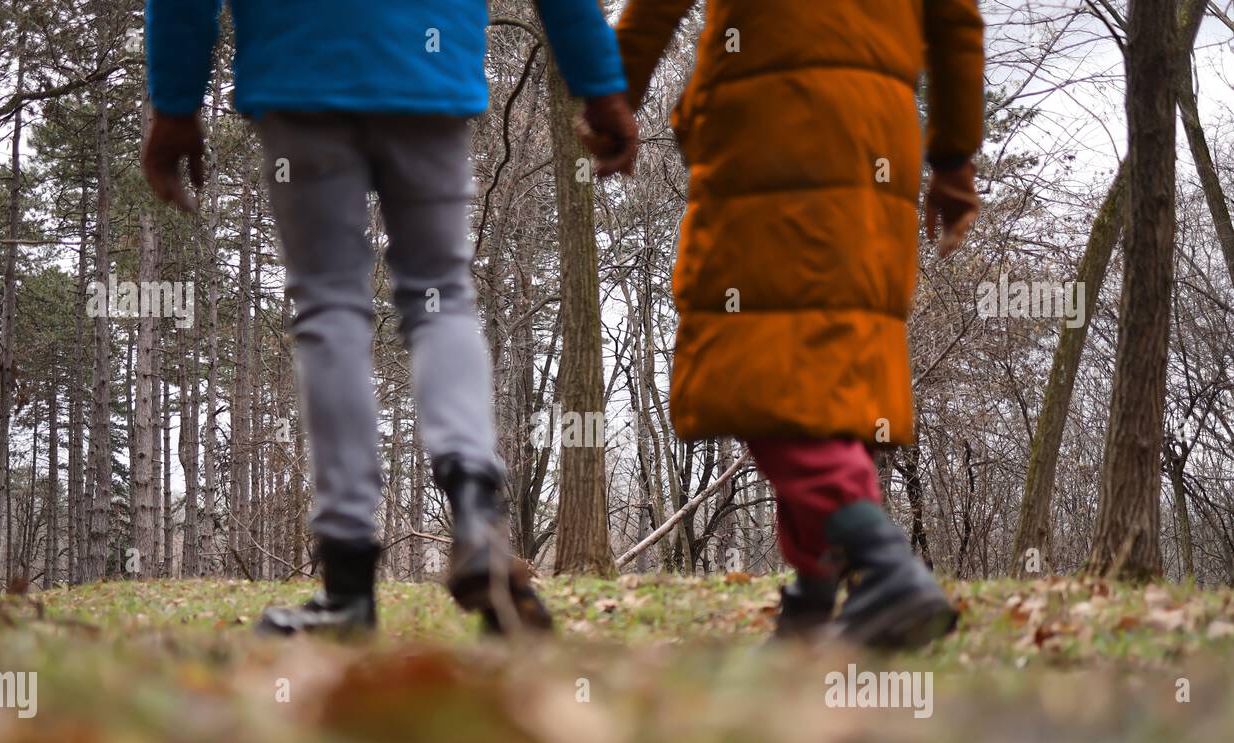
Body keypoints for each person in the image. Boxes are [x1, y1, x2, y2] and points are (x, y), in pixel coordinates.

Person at [141, 1, 639, 635]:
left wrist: (176, 102)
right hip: (425, 71)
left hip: (302, 66)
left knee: (329, 306)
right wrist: (600, 86)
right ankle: (476, 514)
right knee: (440, 296)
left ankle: (349, 584)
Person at [614, 0, 984, 647]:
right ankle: (814, 603)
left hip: (771, 116)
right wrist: (954, 159)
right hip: (879, 131)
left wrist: (611, 92)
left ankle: (882, 565)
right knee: (836, 370)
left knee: (755, 364)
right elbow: (955, 19)